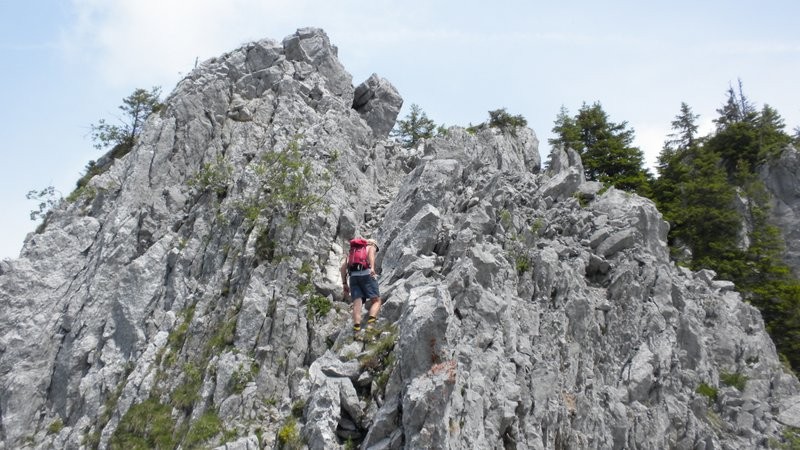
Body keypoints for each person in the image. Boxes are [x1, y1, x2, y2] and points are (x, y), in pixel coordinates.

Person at [341, 237, 381, 334]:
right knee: (376, 300)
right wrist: (372, 268)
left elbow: (343, 267)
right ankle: (370, 326)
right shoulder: (371, 247)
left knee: (357, 303)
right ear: (373, 244)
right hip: (366, 275)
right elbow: (371, 255)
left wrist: (344, 283)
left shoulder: (352, 251)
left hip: (353, 277)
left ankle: (357, 329)